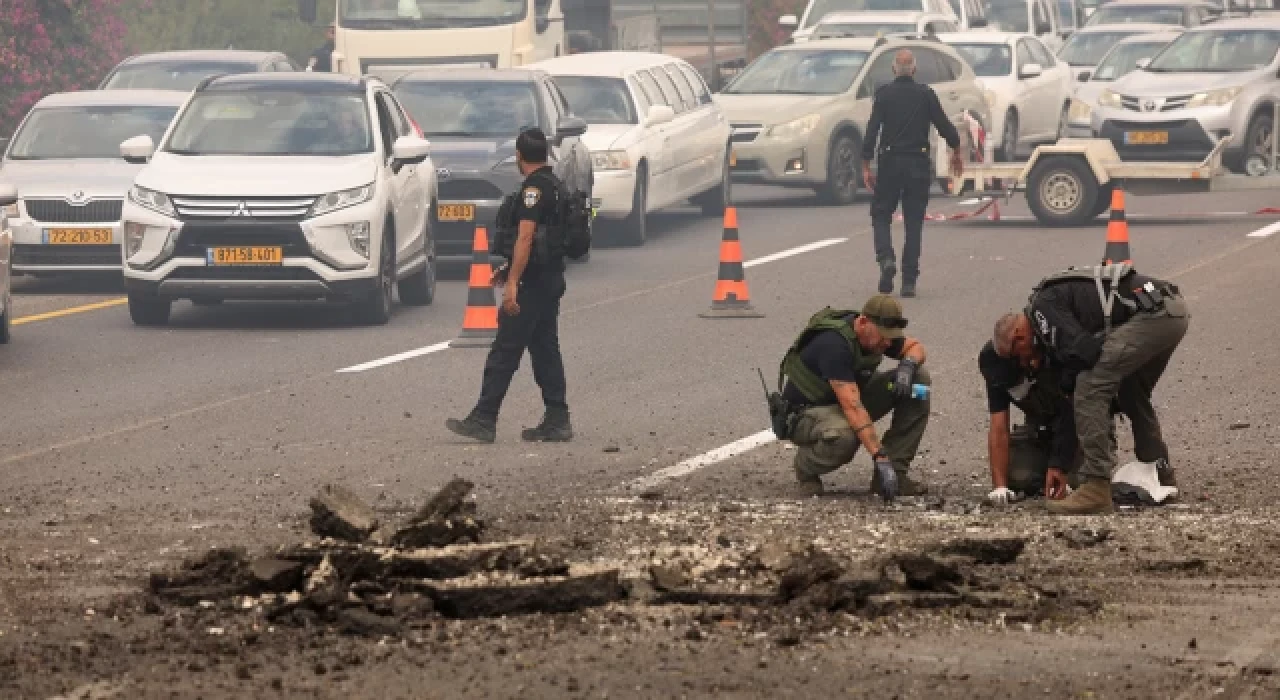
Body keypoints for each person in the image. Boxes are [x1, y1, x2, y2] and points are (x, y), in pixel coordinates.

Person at [992, 263, 1188, 515]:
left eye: (1017, 355)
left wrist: (1066, 383)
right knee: (1130, 388)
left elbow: (1085, 351)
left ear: (1019, 336)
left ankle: (1096, 487)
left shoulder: (1041, 309)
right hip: (1171, 311)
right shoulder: (1048, 302)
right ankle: (1159, 468)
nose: (1023, 362)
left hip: (1153, 315)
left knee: (1090, 384)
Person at [446, 128, 572, 444]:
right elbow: (546, 241)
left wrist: (513, 282)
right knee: (545, 349)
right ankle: (557, 418)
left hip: (532, 284)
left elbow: (526, 237)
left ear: (519, 155)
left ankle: (484, 418)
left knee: (505, 350)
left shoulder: (533, 190)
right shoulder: (556, 186)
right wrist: (509, 268)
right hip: (550, 278)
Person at [778, 295, 932, 501]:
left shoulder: (878, 335)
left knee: (917, 381)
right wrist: (880, 456)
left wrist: (908, 366)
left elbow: (915, 347)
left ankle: (893, 476)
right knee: (844, 436)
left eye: (891, 336)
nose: (888, 342)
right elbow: (853, 407)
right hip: (806, 414)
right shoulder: (834, 344)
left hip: (845, 401)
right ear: (863, 322)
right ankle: (806, 467)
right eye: (884, 336)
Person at [861, 49, 965, 298]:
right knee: (914, 222)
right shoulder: (926, 95)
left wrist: (865, 165)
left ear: (894, 69)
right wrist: (956, 150)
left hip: (890, 163)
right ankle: (909, 281)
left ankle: (886, 259)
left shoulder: (883, 95)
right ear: (914, 70)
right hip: (918, 164)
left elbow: (872, 131)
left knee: (881, 214)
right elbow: (945, 127)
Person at [979, 339, 1087, 506]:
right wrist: (1000, 487)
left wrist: (1060, 466)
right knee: (1019, 478)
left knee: (1082, 482)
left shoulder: (1057, 353)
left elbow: (1071, 414)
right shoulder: (996, 366)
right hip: (1040, 430)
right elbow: (999, 428)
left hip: (1079, 430)